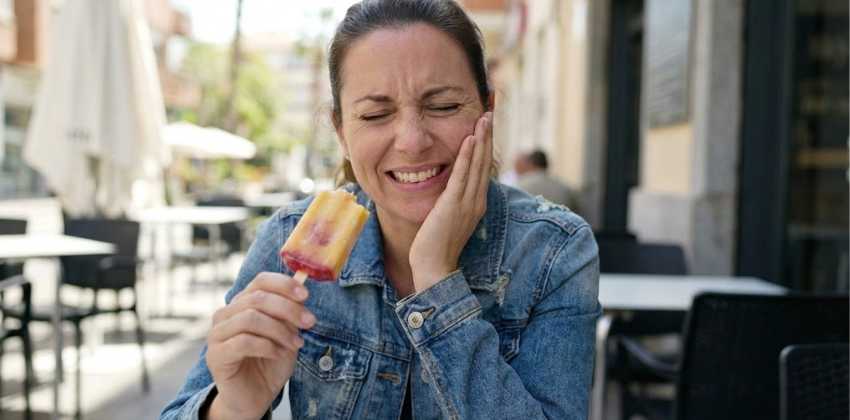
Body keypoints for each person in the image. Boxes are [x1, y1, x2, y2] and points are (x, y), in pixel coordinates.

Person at [160, 1, 599, 419]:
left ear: (488, 109)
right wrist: (233, 408)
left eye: (443, 106)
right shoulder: (286, 237)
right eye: (374, 115)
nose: (411, 141)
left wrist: (437, 280)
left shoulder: (554, 251)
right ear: (341, 132)